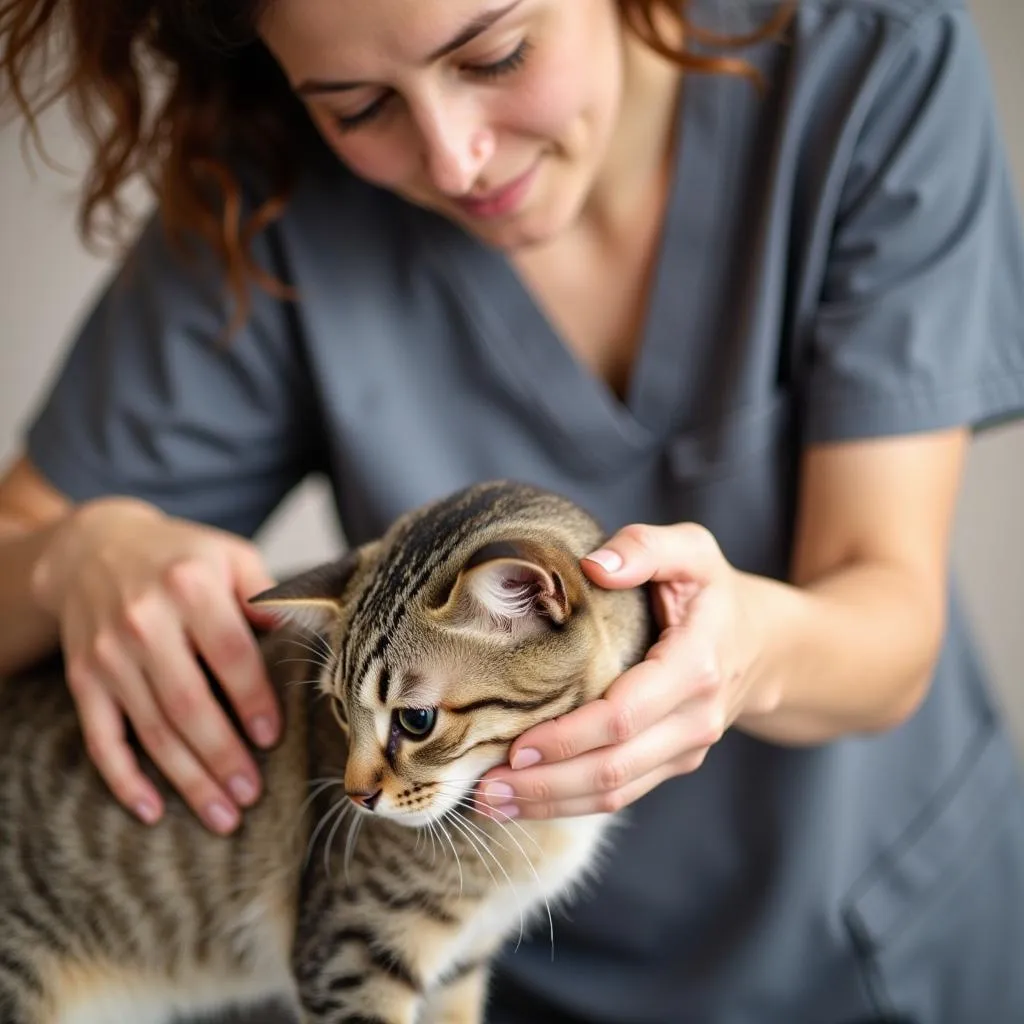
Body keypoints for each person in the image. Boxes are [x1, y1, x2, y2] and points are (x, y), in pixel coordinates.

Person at [2, 0, 1023, 1020]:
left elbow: (888, 612)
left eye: (497, 54)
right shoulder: (267, 199)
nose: (455, 159)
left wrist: (743, 649)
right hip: (487, 968)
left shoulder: (870, 70)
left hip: (882, 947)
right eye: (358, 107)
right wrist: (67, 557)